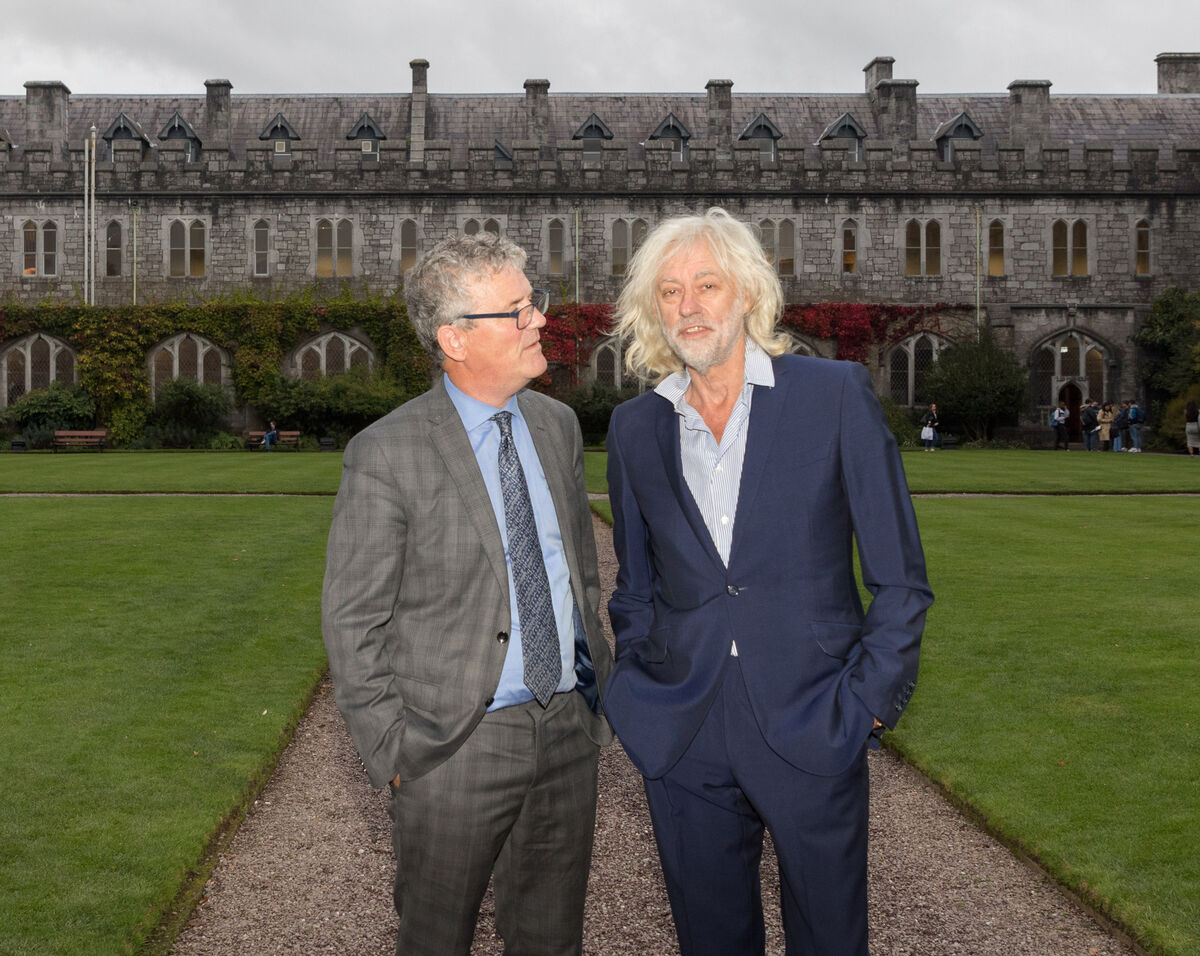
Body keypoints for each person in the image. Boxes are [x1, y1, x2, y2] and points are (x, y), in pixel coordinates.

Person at [604, 208, 932, 956]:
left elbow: (901, 577)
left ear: (746, 293)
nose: (688, 306)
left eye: (707, 284)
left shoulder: (834, 394)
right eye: (669, 291)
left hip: (815, 716)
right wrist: (637, 686)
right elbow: (636, 583)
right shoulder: (635, 429)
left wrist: (868, 703)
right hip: (683, 729)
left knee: (829, 939)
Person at [321, 232, 613, 956]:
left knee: (551, 940)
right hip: (453, 744)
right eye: (516, 311)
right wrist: (395, 751)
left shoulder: (558, 427)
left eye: (534, 303)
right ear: (454, 338)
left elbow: (579, 566)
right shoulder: (388, 451)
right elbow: (352, 619)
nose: (540, 320)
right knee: (435, 940)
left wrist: (593, 693)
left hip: (567, 730)